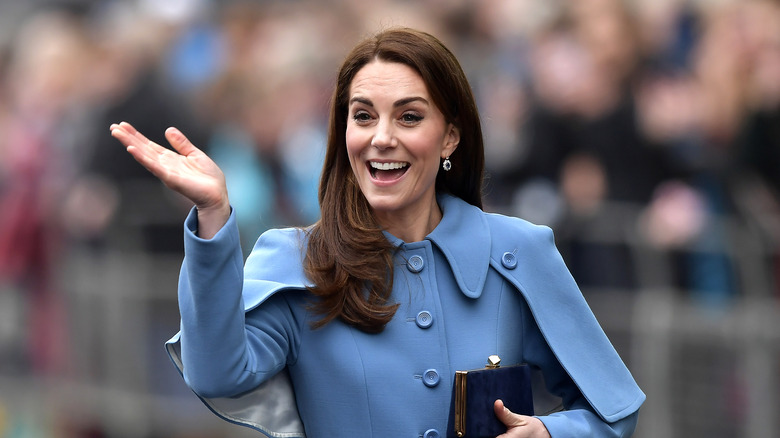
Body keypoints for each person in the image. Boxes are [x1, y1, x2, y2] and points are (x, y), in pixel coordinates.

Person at [110, 27, 644, 438]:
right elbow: (217, 374)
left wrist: (550, 431)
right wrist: (212, 219)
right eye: (363, 117)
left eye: (409, 117)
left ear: (450, 137)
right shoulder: (295, 260)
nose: (381, 138)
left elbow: (612, 410)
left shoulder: (519, 252)